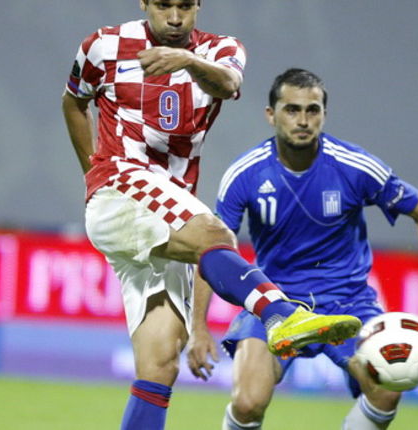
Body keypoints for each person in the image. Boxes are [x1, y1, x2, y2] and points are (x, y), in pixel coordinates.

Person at [61, 3, 361, 429]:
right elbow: (74, 102)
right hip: (121, 185)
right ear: (145, 1)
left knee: (161, 361)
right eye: (164, 4)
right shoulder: (104, 45)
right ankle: (281, 315)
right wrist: (94, 173)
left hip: (166, 211)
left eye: (185, 4)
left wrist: (185, 60)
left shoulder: (221, 49)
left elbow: (228, 82)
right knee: (215, 234)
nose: (175, 16)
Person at [186, 68, 418, 430]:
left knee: (387, 387)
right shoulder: (246, 174)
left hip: (346, 301)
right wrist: (197, 327)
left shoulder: (354, 167)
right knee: (247, 402)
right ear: (271, 115)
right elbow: (213, 249)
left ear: (324, 114)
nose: (303, 120)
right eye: (292, 110)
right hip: (275, 303)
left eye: (313, 110)